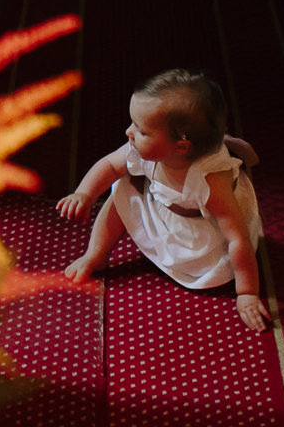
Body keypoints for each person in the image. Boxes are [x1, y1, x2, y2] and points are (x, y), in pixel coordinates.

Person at [55, 69, 268, 332]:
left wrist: (247, 292)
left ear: (181, 147)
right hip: (164, 207)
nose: (128, 132)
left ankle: (188, 260)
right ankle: (96, 254)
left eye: (141, 130)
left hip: (201, 231)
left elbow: (236, 238)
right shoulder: (142, 149)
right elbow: (110, 165)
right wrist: (84, 193)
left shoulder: (211, 180)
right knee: (120, 186)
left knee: (216, 270)